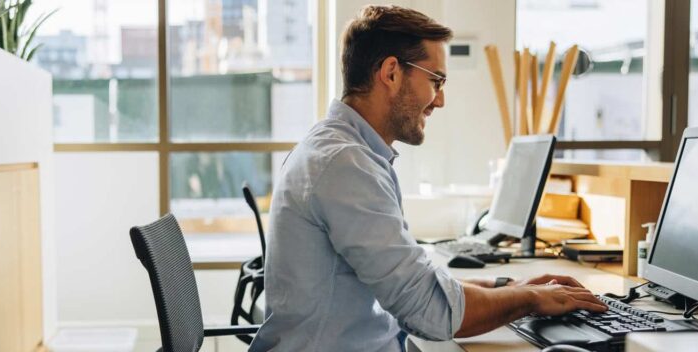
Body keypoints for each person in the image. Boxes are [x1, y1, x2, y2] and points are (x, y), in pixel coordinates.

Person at [248, 5, 607, 351]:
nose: (440, 100)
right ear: (391, 73)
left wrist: (509, 285)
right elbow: (430, 312)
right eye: (436, 80)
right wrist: (529, 299)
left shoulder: (344, 151)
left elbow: (418, 286)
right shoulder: (345, 164)